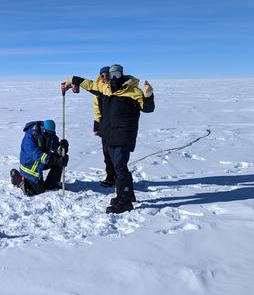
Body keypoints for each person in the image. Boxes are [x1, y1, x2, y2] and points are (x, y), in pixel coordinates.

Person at [63, 64, 155, 213]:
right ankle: (128, 193)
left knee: (119, 166)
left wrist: (149, 95)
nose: (110, 78)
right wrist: (71, 80)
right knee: (117, 166)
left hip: (124, 135)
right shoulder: (106, 88)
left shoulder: (134, 92)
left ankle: (124, 201)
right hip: (109, 135)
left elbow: (148, 108)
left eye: (113, 75)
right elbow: (89, 84)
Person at [10, 120, 69, 196]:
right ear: (43, 129)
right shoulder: (30, 136)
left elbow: (56, 147)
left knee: (61, 158)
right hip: (30, 165)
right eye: (48, 134)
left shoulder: (50, 134)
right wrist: (54, 160)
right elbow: (36, 154)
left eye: (52, 134)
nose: (50, 136)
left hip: (41, 162)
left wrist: (63, 148)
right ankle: (18, 178)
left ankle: (51, 184)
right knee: (39, 191)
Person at [93, 66, 117, 187]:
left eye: (107, 74)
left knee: (116, 153)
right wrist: (97, 126)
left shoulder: (116, 87)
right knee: (106, 152)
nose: (105, 77)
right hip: (104, 126)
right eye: (103, 75)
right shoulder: (98, 90)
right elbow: (97, 108)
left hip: (116, 125)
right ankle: (111, 176)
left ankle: (119, 177)